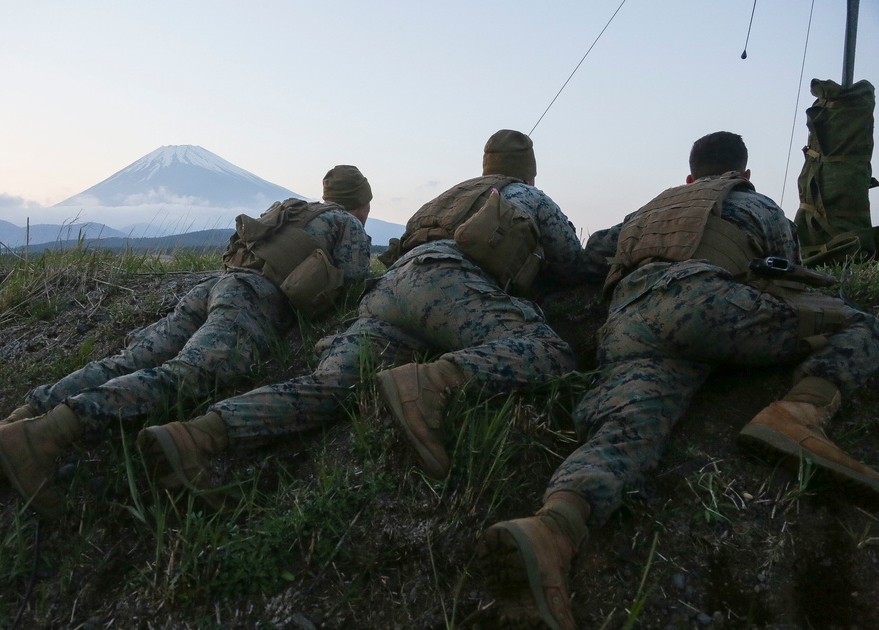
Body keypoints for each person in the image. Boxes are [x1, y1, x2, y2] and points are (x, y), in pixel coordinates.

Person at [476, 131, 879, 630]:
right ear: (743, 174)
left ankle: (553, 526)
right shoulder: (755, 203)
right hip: (709, 307)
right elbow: (791, 272)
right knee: (863, 326)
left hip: (627, 323)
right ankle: (797, 414)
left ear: (690, 177)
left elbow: (593, 255)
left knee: (628, 427)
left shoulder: (652, 208)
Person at [135, 129, 593, 501]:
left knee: (331, 385)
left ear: (485, 165)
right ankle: (433, 383)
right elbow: (572, 265)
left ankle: (202, 434)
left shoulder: (444, 199)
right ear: (529, 170)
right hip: (450, 282)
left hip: (388, 293)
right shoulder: (531, 197)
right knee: (550, 350)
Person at [0, 165, 374, 518]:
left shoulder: (294, 209)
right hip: (250, 299)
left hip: (214, 287)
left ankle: (14, 421)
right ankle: (43, 437)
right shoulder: (347, 224)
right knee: (189, 374)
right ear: (362, 203)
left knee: (131, 359)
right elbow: (353, 286)